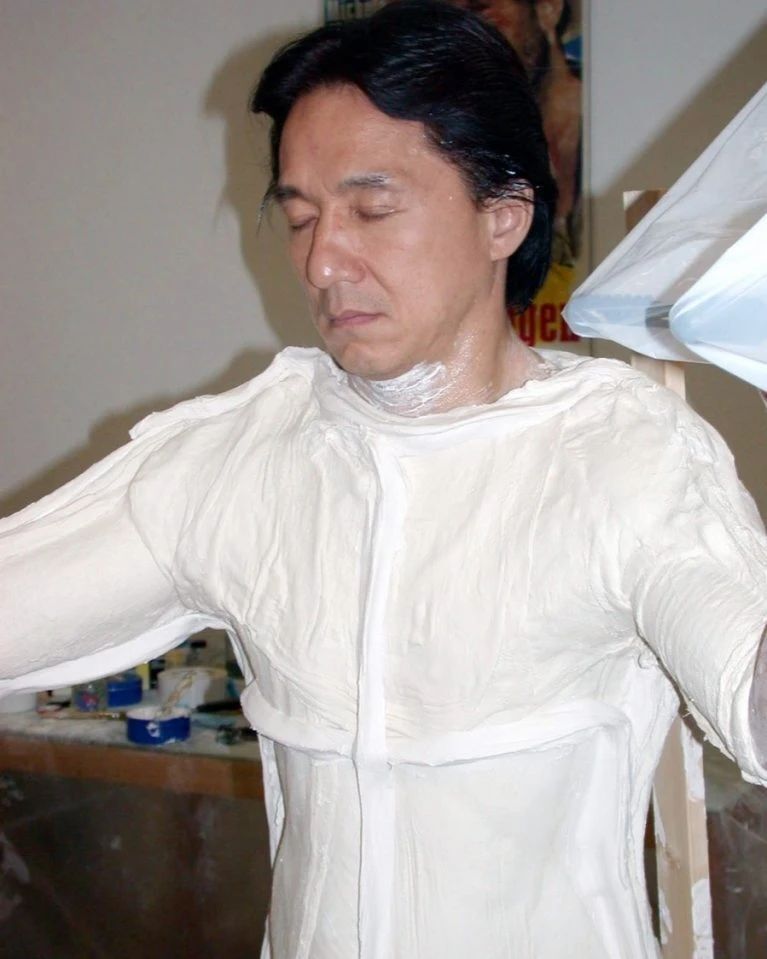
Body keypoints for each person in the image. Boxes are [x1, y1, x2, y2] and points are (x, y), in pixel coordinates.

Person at [1, 2, 766, 957]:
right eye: (301, 216)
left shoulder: (620, 455)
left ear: (502, 215)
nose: (323, 260)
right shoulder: (244, 455)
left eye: (371, 209)